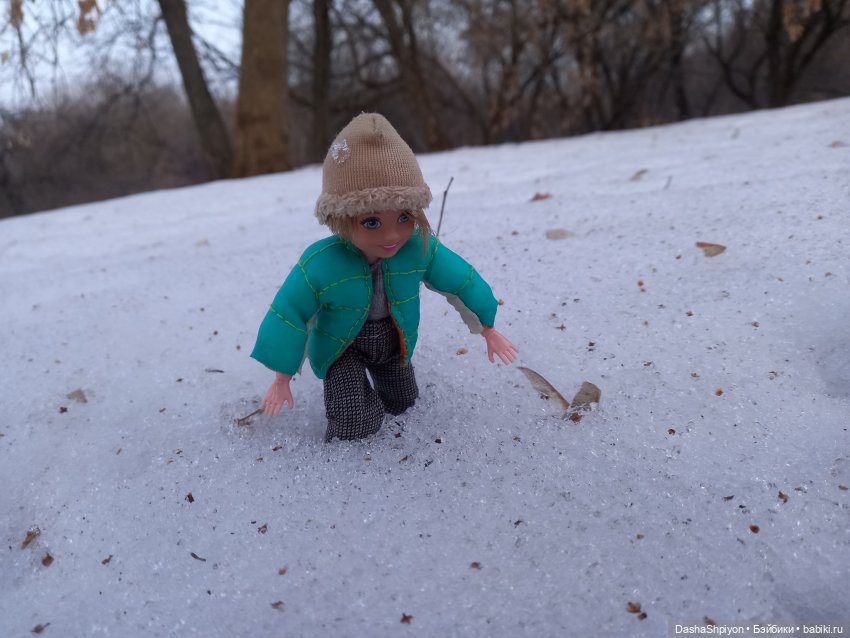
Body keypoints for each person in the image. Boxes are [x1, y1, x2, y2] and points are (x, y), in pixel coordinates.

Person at [251, 113, 517, 441]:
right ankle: (352, 412)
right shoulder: (321, 263)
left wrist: (487, 326)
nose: (393, 234)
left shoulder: (417, 248)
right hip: (342, 347)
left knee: (404, 403)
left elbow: (460, 280)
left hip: (393, 342)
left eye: (405, 216)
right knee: (354, 422)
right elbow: (290, 312)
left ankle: (379, 398)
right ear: (342, 218)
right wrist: (282, 376)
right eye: (372, 222)